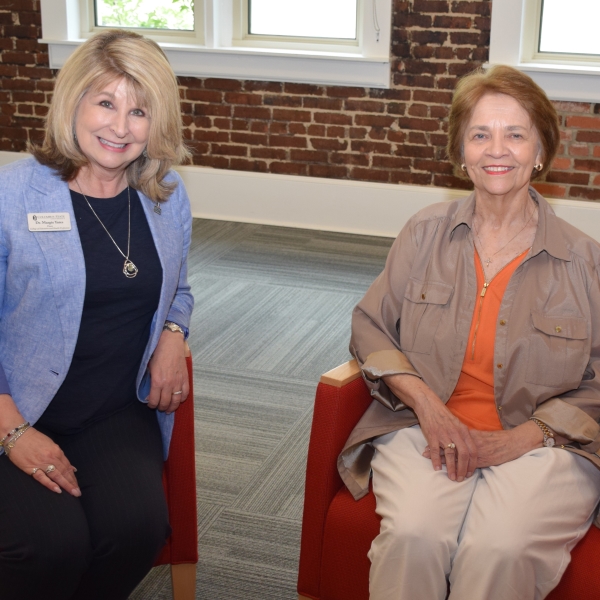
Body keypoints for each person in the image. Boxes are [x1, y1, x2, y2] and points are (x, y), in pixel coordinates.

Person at [338, 65, 600, 600]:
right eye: (480, 134)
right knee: (413, 536)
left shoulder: (584, 261)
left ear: (541, 151)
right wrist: (428, 409)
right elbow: (370, 326)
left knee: (498, 550)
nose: (496, 150)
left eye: (515, 134)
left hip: (547, 445)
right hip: (423, 429)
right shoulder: (424, 233)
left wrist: (525, 438)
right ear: (461, 153)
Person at [0, 29, 193, 600]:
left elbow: (179, 286)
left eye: (139, 111)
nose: (120, 126)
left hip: (113, 408)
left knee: (137, 531)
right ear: (74, 101)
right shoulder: (14, 195)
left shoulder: (166, 194)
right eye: (105, 102)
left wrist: (174, 334)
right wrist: (11, 430)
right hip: (20, 406)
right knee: (47, 545)